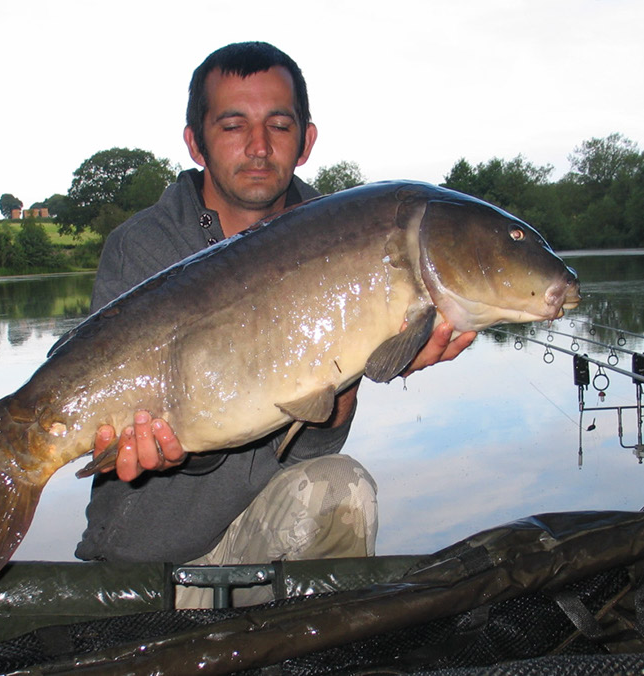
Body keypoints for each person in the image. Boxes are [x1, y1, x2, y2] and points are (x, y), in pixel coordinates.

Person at [74, 41, 476, 607]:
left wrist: (355, 374)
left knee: (343, 487)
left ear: (307, 140)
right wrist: (176, 443)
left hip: (268, 538)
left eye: (279, 126)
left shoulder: (350, 238)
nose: (258, 147)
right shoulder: (143, 245)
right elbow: (177, 427)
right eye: (234, 125)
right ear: (195, 142)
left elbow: (310, 449)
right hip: (152, 564)